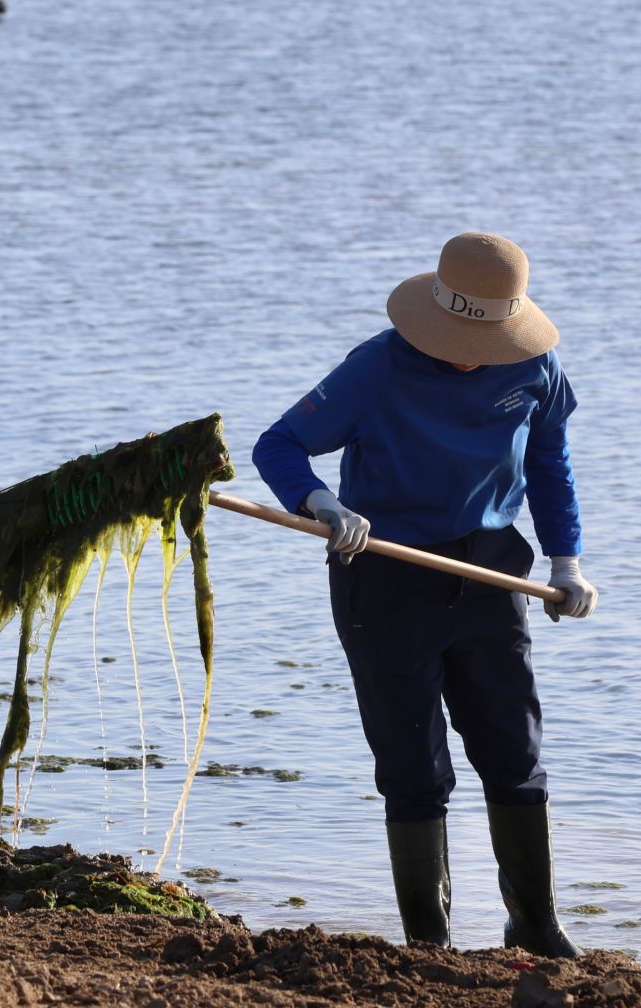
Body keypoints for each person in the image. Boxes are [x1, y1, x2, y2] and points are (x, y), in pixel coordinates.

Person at [251, 232, 599, 955]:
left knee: (514, 750)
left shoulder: (534, 366)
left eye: (484, 334)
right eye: (458, 333)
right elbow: (277, 444)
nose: (469, 349)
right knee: (414, 765)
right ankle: (428, 939)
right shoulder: (377, 365)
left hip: (490, 570)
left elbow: (550, 462)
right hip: (385, 573)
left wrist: (566, 563)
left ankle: (533, 924)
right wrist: (322, 503)